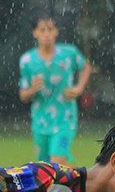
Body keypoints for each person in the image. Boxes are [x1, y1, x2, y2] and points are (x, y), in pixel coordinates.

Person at [19, 16, 91, 165]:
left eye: (50, 29)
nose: (46, 34)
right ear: (35, 33)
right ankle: (64, 188)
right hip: (40, 121)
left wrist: (79, 88)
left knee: (58, 163)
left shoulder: (69, 53)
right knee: (44, 168)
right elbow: (23, 95)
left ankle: (68, 187)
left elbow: (85, 67)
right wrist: (32, 90)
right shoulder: (27, 61)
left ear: (56, 32)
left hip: (65, 119)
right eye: (42, 30)